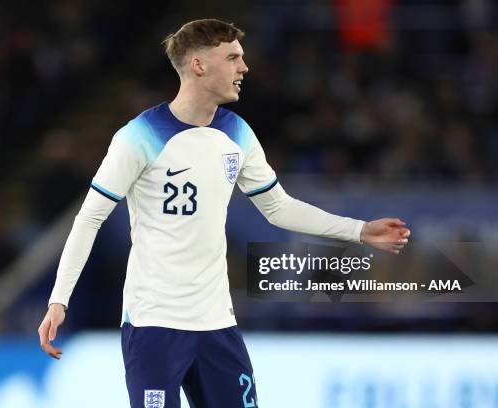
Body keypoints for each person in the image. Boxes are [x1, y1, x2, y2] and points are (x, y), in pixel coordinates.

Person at [38, 18, 410, 408]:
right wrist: (58, 300)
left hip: (217, 325)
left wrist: (360, 231)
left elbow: (278, 207)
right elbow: (90, 217)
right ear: (199, 65)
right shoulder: (138, 136)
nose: (244, 68)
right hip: (154, 326)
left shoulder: (238, 134)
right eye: (232, 57)